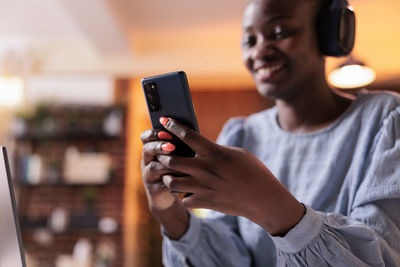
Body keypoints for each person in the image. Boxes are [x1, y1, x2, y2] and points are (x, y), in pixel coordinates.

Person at [140, 0, 400, 265]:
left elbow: (381, 257)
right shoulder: (240, 135)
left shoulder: (386, 119)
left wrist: (271, 205)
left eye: (279, 33)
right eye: (250, 41)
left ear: (327, 34)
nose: (260, 51)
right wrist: (168, 210)